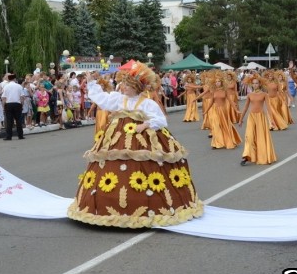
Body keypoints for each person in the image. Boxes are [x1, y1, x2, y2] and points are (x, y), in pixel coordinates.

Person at [68, 63, 203, 228]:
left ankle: (148, 206)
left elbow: (161, 120)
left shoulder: (147, 103)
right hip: (117, 140)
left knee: (143, 169)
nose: (123, 87)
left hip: (142, 140)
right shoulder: (119, 99)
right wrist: (91, 83)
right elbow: (102, 100)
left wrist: (145, 125)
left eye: (127, 85)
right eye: (123, 84)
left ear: (136, 87)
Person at [239, 73, 277, 165]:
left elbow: (268, 108)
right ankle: (246, 156)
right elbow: (245, 108)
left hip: (261, 117)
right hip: (251, 117)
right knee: (249, 136)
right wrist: (241, 119)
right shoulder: (250, 95)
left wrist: (271, 120)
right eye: (253, 83)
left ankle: (264, 156)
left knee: (261, 137)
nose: (255, 85)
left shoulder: (264, 94)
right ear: (251, 84)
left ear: (260, 84)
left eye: (256, 83)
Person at [198, 71, 242, 150]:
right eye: (216, 82)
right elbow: (211, 102)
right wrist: (206, 111)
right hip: (215, 110)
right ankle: (216, 143)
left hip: (224, 111)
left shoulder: (225, 91)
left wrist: (236, 110)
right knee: (216, 126)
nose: (217, 83)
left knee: (225, 126)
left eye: (219, 81)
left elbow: (231, 101)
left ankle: (229, 140)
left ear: (221, 82)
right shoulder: (213, 91)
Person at [1, 73, 24, 140]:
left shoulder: (6, 87)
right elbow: (22, 97)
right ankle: (20, 135)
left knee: (9, 121)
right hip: (17, 104)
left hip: (8, 104)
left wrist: (3, 106)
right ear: (14, 79)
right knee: (18, 120)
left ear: (9, 79)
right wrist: (22, 104)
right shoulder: (19, 86)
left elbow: (3, 98)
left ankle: (9, 136)